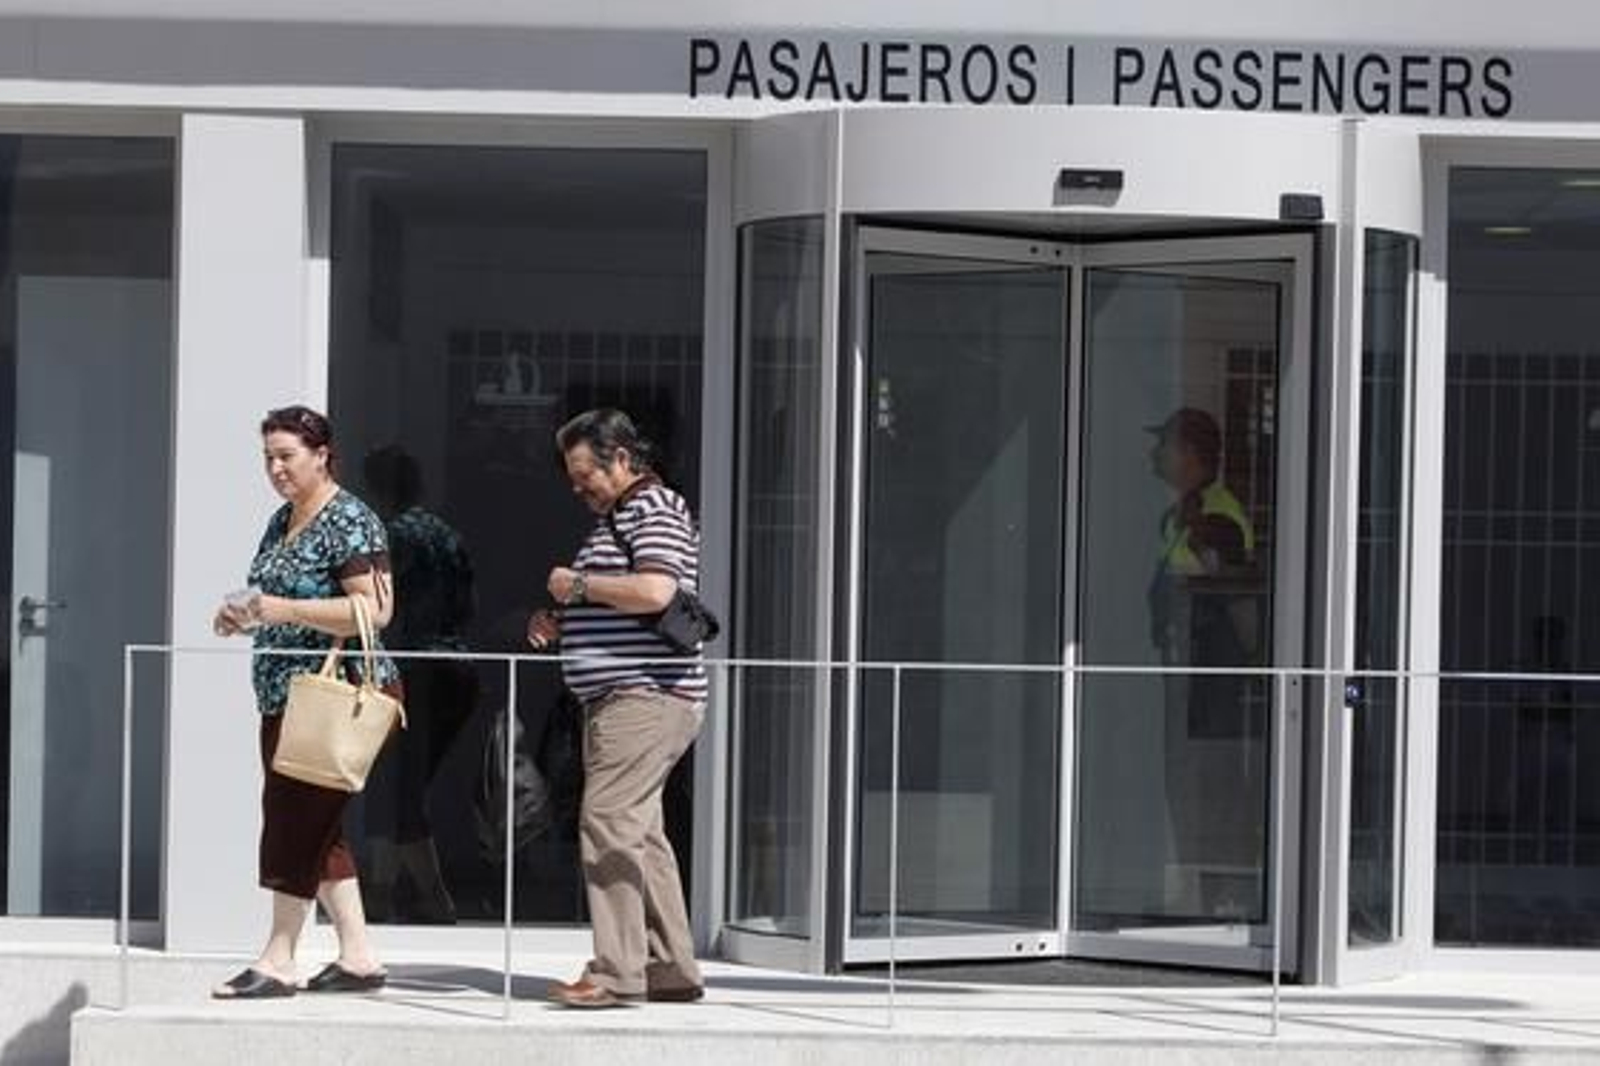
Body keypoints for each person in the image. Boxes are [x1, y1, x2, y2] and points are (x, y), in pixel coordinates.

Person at [210, 405, 400, 999]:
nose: (275, 468)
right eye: (268, 457)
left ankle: (280, 957)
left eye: (287, 456)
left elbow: (374, 610)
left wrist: (283, 611)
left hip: (335, 697)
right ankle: (359, 956)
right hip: (286, 695)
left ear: (322, 455)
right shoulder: (282, 518)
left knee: (294, 820)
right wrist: (242, 615)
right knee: (319, 827)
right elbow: (270, 598)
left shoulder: (350, 520)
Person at [527, 408, 707, 1009]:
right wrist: (563, 619)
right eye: (572, 478)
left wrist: (576, 587)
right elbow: (627, 595)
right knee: (641, 835)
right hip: (629, 699)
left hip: (643, 697)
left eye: (586, 475)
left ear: (623, 459)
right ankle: (669, 967)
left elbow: (657, 590)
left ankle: (616, 974)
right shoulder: (625, 515)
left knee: (606, 825)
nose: (578, 489)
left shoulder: (651, 509)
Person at [1145, 406, 1262, 915]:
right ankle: (1201, 894)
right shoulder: (1179, 514)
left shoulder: (1217, 518)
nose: (1156, 453)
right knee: (1188, 783)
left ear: (1190, 454)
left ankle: (1227, 897)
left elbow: (1234, 597)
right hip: (1185, 676)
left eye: (1164, 443)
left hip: (1210, 681)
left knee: (1214, 784)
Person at [360, 445, 479, 924]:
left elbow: (379, 606)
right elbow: (470, 603)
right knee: (403, 787)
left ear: (378, 489)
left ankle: (409, 896)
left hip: (416, 670)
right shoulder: (447, 534)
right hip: (457, 669)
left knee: (394, 786)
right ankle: (407, 895)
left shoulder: (394, 536)